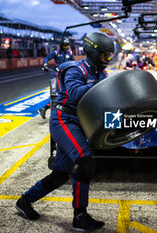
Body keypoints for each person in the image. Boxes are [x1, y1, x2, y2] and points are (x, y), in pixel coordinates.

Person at [15, 32, 114, 231]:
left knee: (60, 174)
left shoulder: (101, 74)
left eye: (109, 56)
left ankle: (24, 201)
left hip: (81, 122)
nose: (108, 60)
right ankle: (80, 215)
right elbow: (75, 93)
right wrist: (100, 86)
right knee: (85, 159)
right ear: (94, 53)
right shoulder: (75, 69)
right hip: (64, 120)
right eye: (106, 55)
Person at [38, 37, 75, 119]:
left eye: (67, 45)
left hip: (65, 75)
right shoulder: (56, 52)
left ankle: (45, 108)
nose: (66, 47)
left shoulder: (70, 52)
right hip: (56, 75)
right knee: (56, 94)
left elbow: (74, 62)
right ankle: (50, 110)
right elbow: (47, 58)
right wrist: (45, 64)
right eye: (65, 45)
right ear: (61, 45)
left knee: (63, 93)